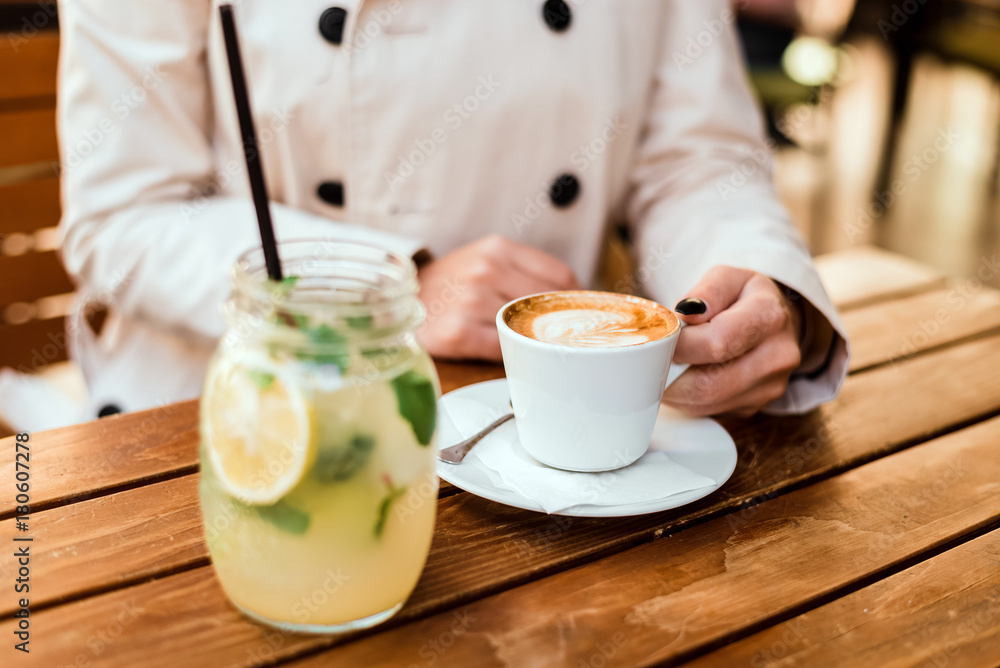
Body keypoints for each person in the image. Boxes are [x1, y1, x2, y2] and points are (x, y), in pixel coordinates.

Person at [56, 0, 849, 422]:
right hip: (231, 424)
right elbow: (124, 215)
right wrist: (391, 284)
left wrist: (751, 281)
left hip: (548, 432)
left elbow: (695, 158)